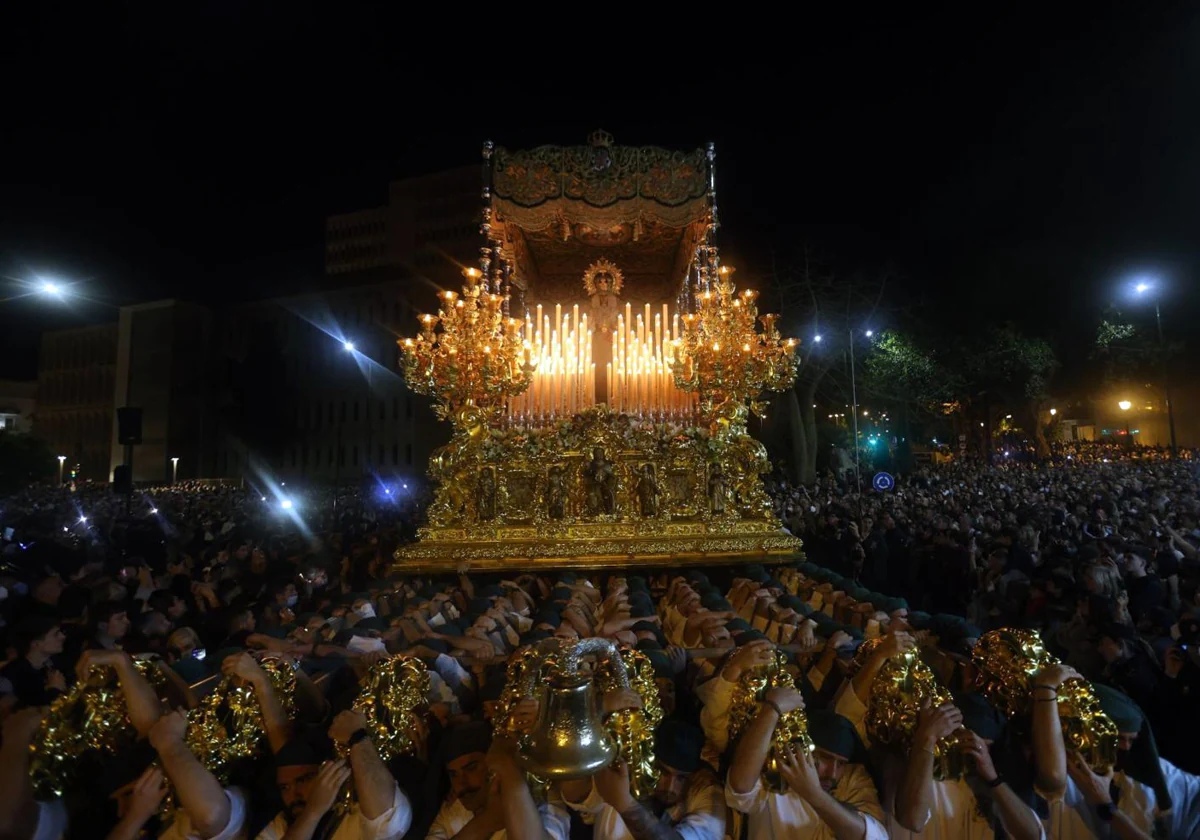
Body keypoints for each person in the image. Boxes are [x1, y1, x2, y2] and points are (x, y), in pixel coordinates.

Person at [726, 686, 886, 839]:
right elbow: (739, 789)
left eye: (841, 764)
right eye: (824, 758)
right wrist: (771, 709)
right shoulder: (777, 771)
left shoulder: (852, 780)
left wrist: (814, 794)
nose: (832, 774)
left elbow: (872, 836)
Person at [258, 710, 413, 840]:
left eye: (303, 780)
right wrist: (312, 812)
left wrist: (357, 738)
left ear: (333, 771)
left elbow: (389, 823)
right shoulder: (283, 824)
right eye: (284, 787)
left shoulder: (357, 808)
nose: (293, 794)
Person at [562, 718, 726, 840]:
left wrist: (624, 804)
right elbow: (574, 793)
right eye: (662, 772)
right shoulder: (625, 777)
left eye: (681, 778)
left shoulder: (702, 788)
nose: (670, 787)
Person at [1, 615, 68, 707]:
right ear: (36, 644)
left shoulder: (52, 663)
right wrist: (54, 690)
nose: (62, 636)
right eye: (55, 634)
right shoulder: (15, 675)